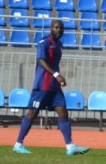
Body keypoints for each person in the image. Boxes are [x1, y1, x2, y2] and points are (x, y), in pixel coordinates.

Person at [12, 19, 90, 156]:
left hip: (54, 86)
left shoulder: (59, 44)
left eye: (61, 28)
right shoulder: (44, 42)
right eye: (56, 27)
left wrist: (57, 78)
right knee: (32, 113)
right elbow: (41, 61)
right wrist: (56, 75)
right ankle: (18, 144)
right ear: (51, 29)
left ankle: (70, 146)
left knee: (63, 112)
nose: (59, 30)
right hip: (43, 84)